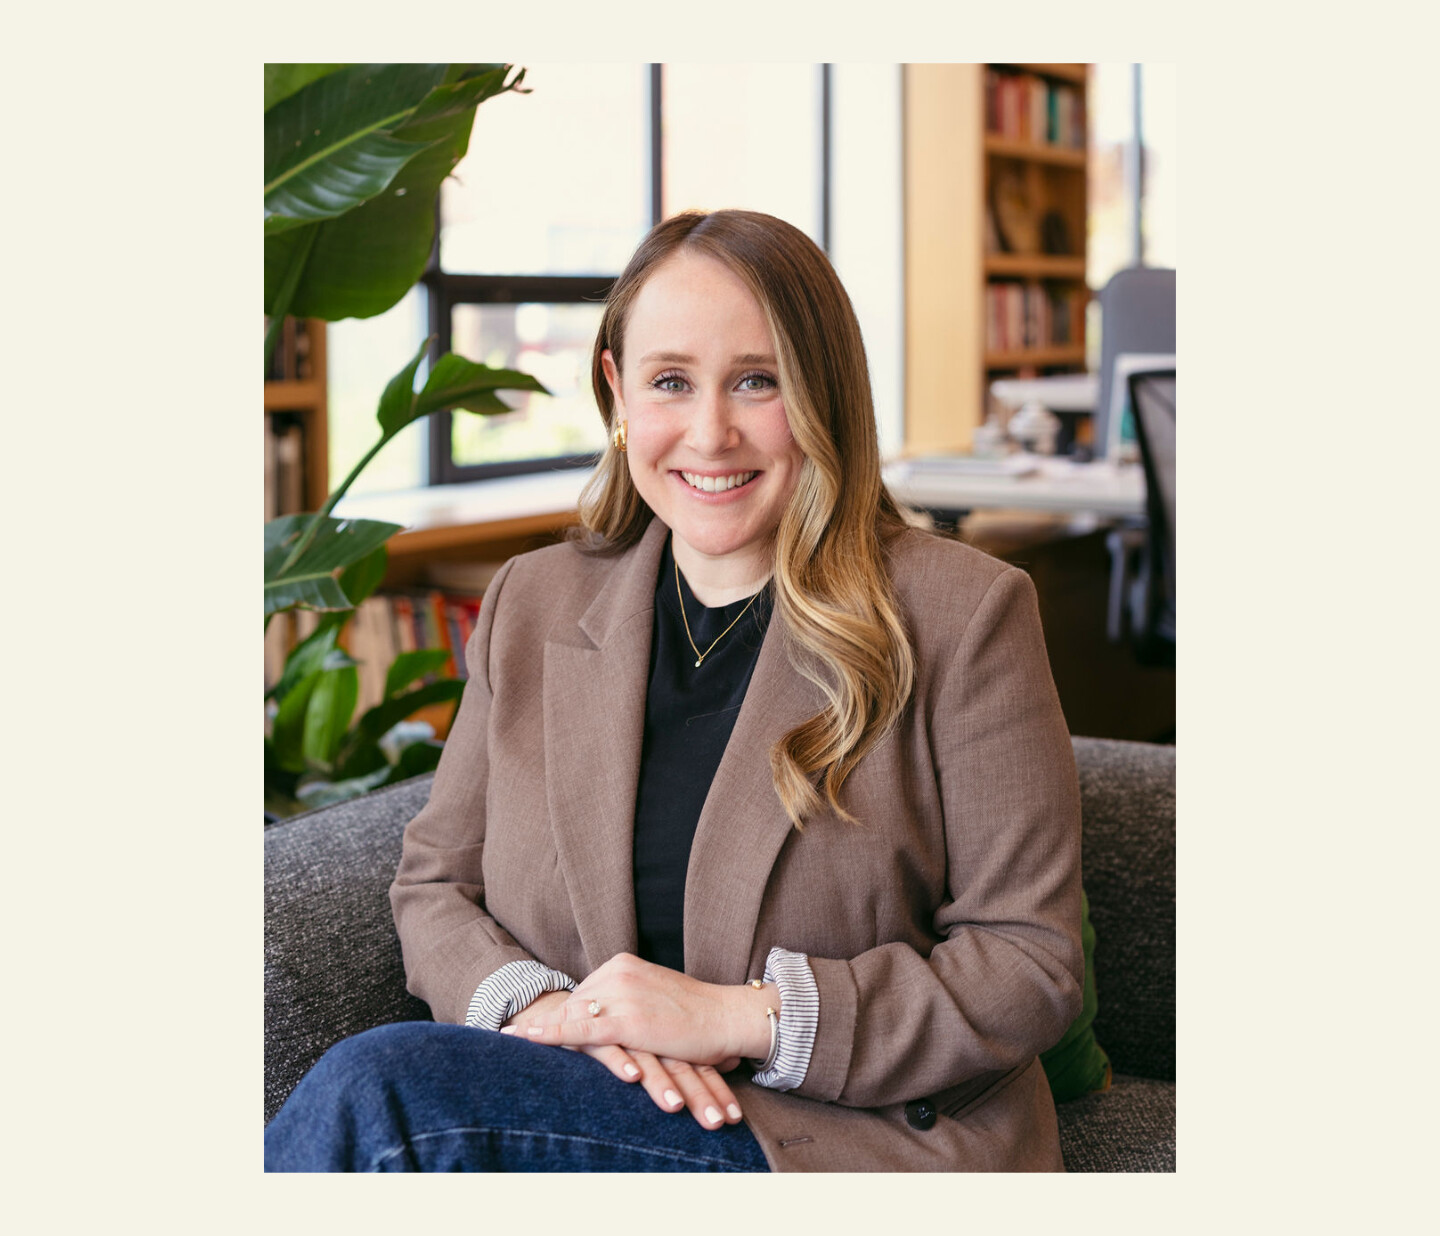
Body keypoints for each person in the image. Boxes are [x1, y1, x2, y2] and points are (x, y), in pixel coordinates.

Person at [264, 209, 1083, 1173]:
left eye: (758, 380)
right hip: (578, 1097)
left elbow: (1030, 960)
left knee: (382, 1095)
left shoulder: (964, 613)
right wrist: (546, 1011)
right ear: (616, 391)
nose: (710, 433)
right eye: (670, 382)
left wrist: (737, 1017)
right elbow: (436, 882)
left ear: (824, 393)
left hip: (843, 1141)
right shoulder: (533, 601)